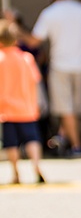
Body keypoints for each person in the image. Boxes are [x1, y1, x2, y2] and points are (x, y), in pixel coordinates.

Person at [12, 0, 81, 158]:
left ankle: (77, 146)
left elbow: (34, 42)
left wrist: (14, 28)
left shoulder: (49, 13)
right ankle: (62, 139)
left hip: (60, 65)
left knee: (66, 108)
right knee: (75, 109)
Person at [0, 19, 45, 184]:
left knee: (11, 143)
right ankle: (36, 166)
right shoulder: (26, 58)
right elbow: (36, 80)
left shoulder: (1, 59)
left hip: (6, 109)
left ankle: (16, 172)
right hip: (27, 107)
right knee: (32, 139)